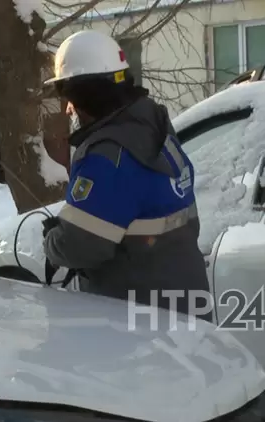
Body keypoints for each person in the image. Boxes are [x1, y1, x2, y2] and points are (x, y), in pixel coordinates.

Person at [41, 29, 211, 321]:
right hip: (186, 300)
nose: (69, 110)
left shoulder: (108, 155)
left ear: (84, 95)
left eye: (67, 96)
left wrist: (51, 241)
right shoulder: (154, 129)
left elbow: (82, 244)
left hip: (140, 320)